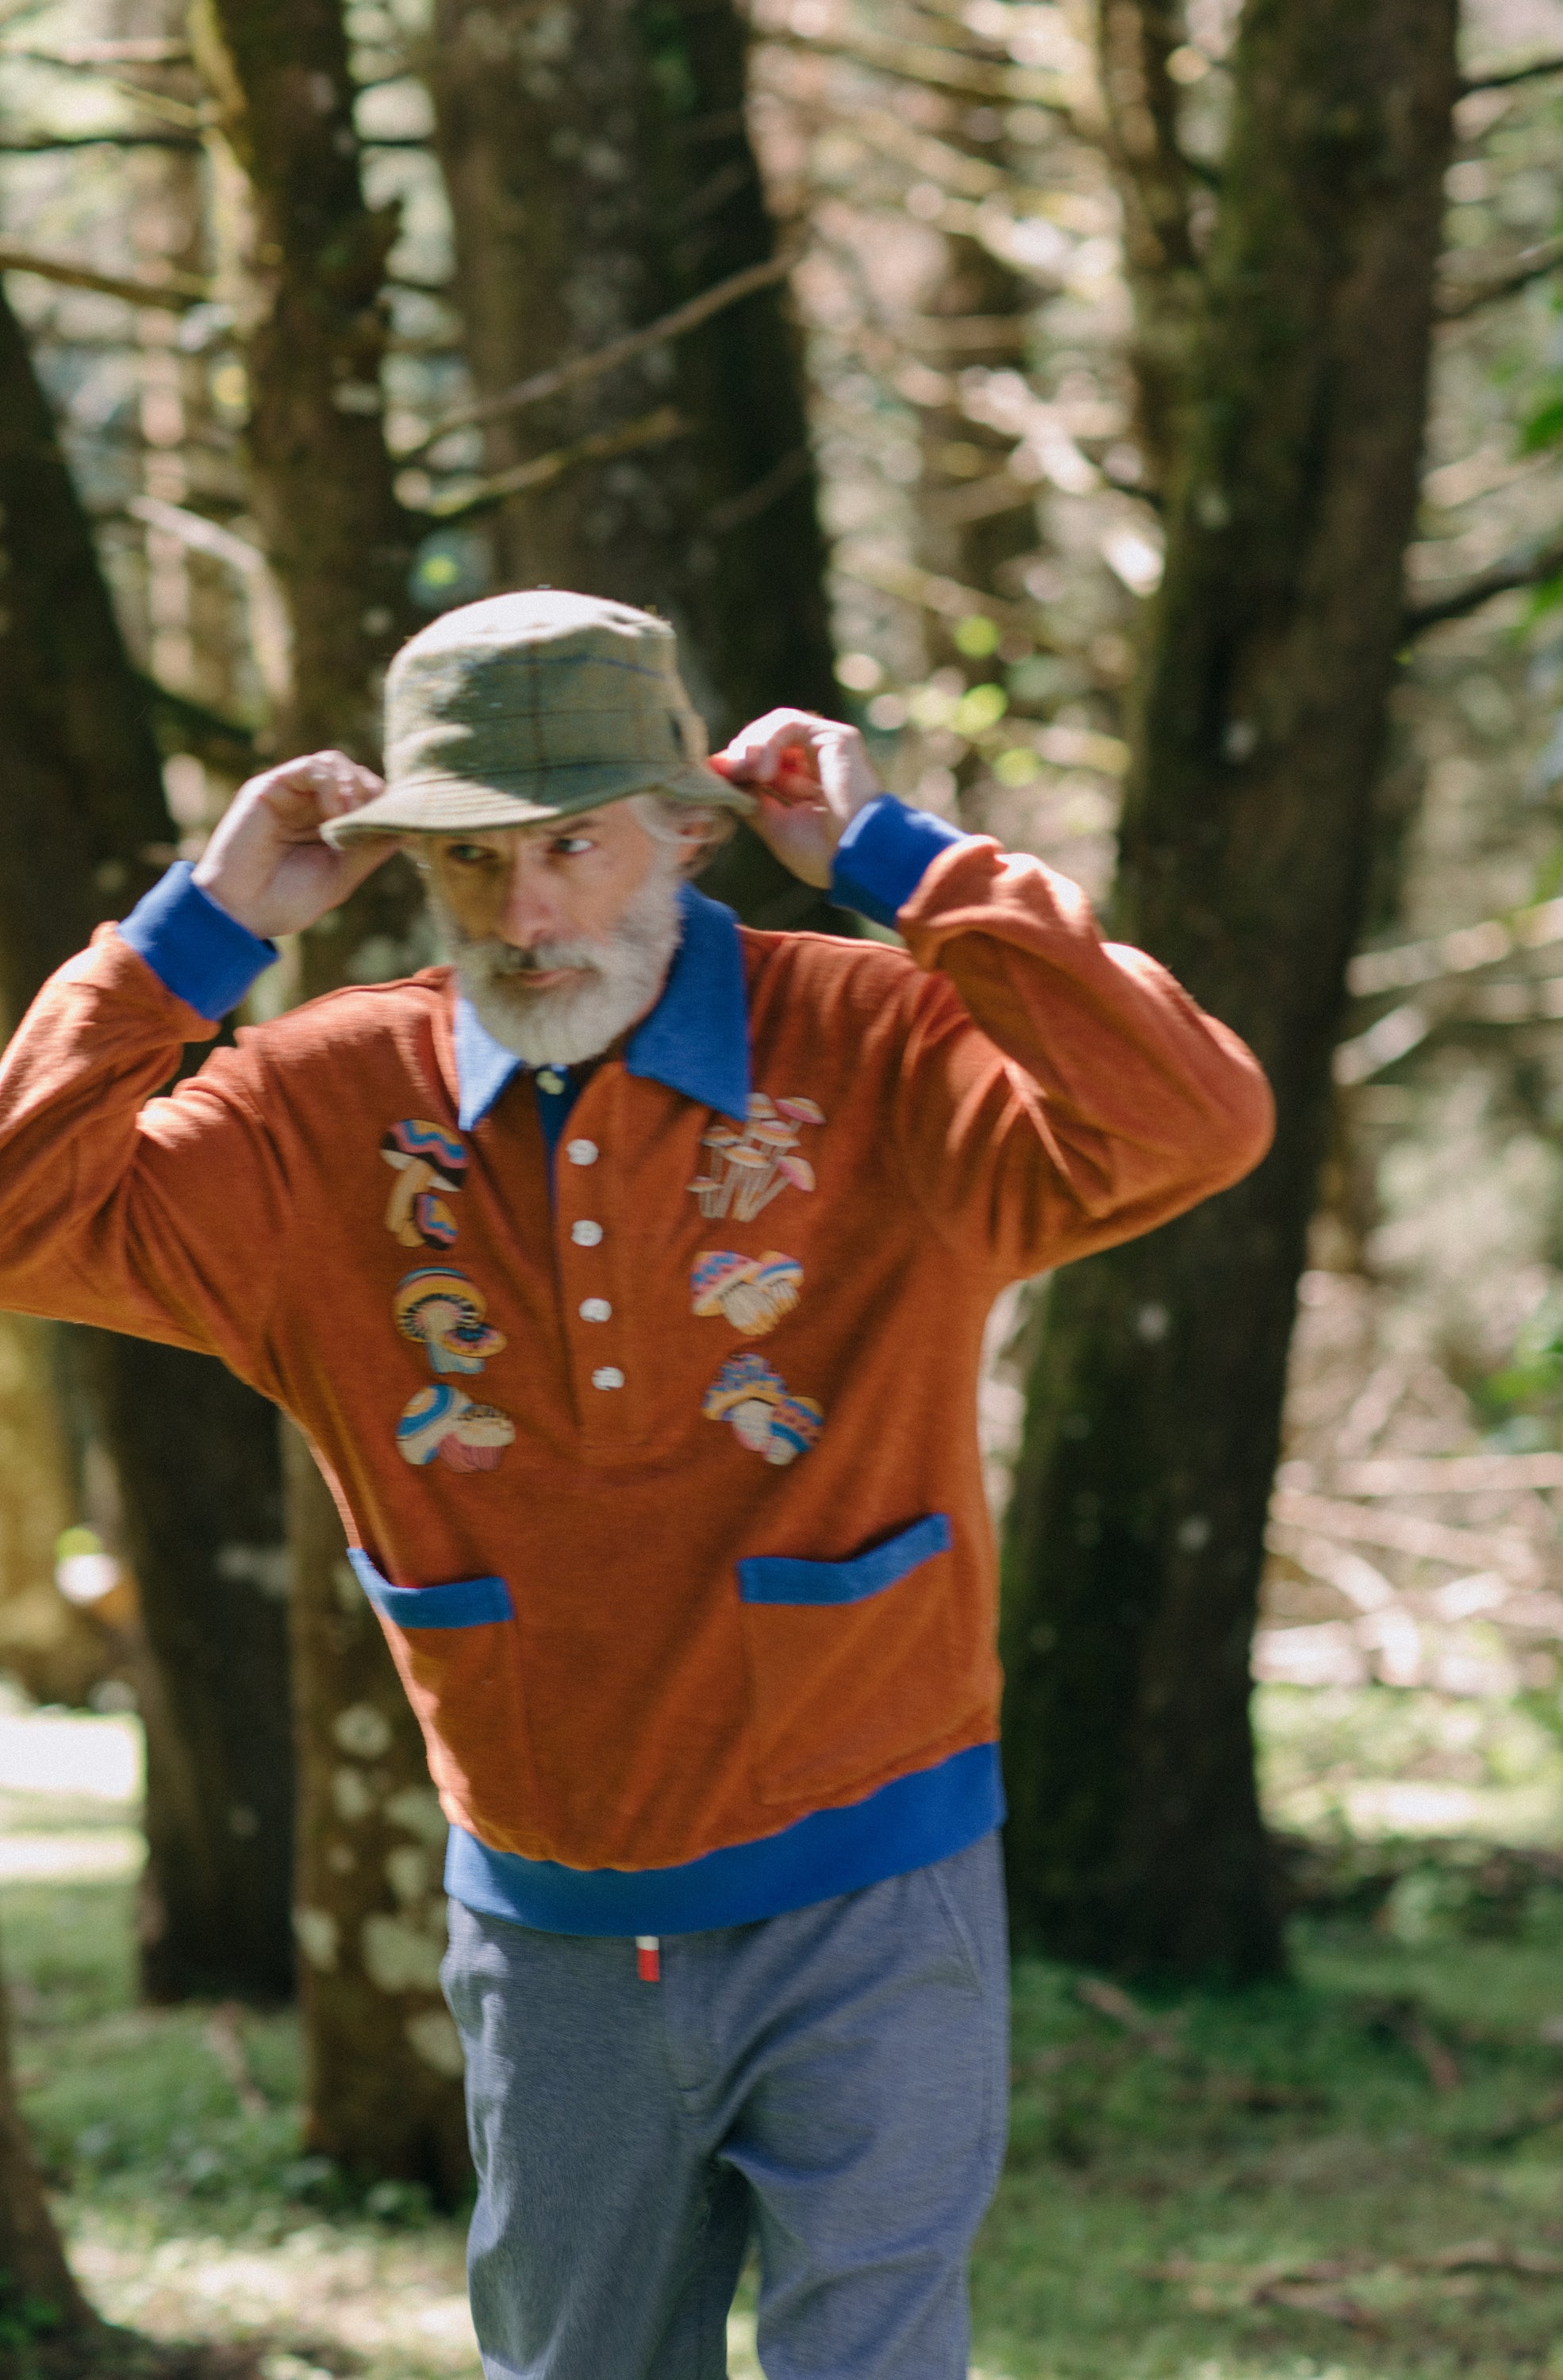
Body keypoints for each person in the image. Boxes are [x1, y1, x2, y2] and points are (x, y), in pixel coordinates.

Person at [0, 589, 1273, 2380]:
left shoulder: (879, 1048)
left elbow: (1190, 1119)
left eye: (576, 845)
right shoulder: (313, 1110)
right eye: (471, 863)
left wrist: (906, 860)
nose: (527, 916)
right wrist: (199, 935)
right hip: (552, 1911)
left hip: (875, 1865)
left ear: (689, 827)